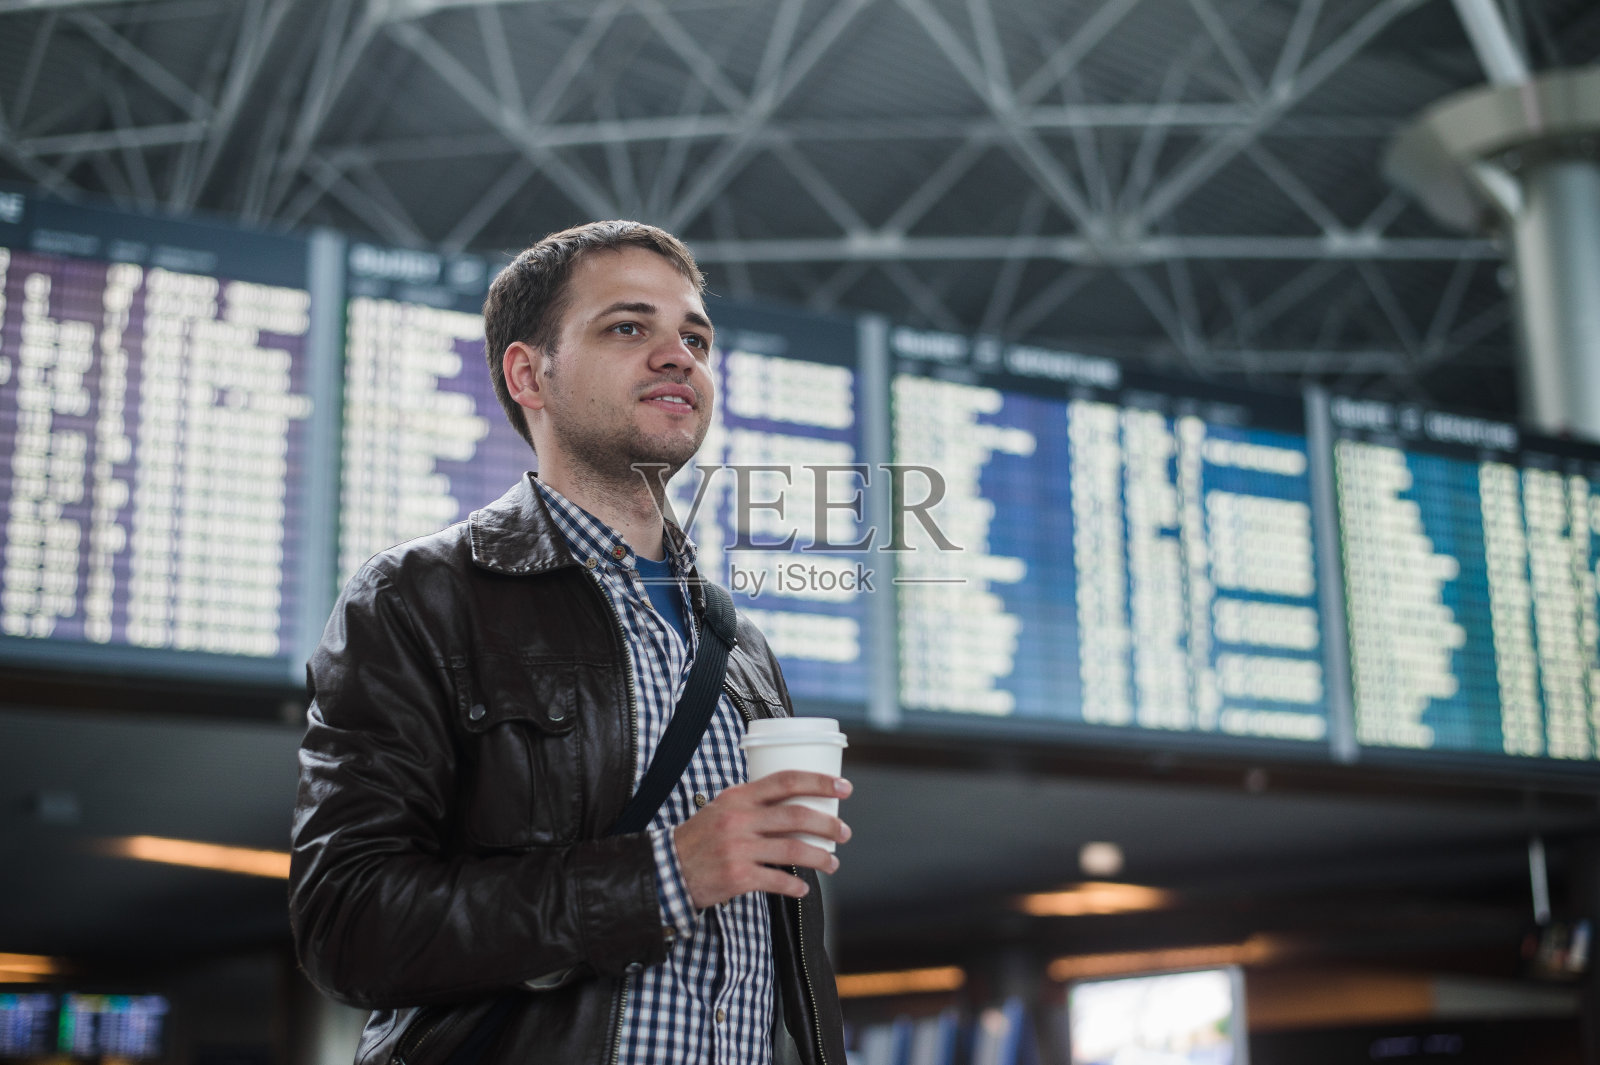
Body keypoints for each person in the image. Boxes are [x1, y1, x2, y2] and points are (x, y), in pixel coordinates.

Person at [289, 221, 850, 1065]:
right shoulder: (419, 597)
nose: (679, 356)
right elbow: (348, 922)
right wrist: (668, 873)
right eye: (629, 327)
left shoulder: (739, 646)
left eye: (694, 336)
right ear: (529, 374)